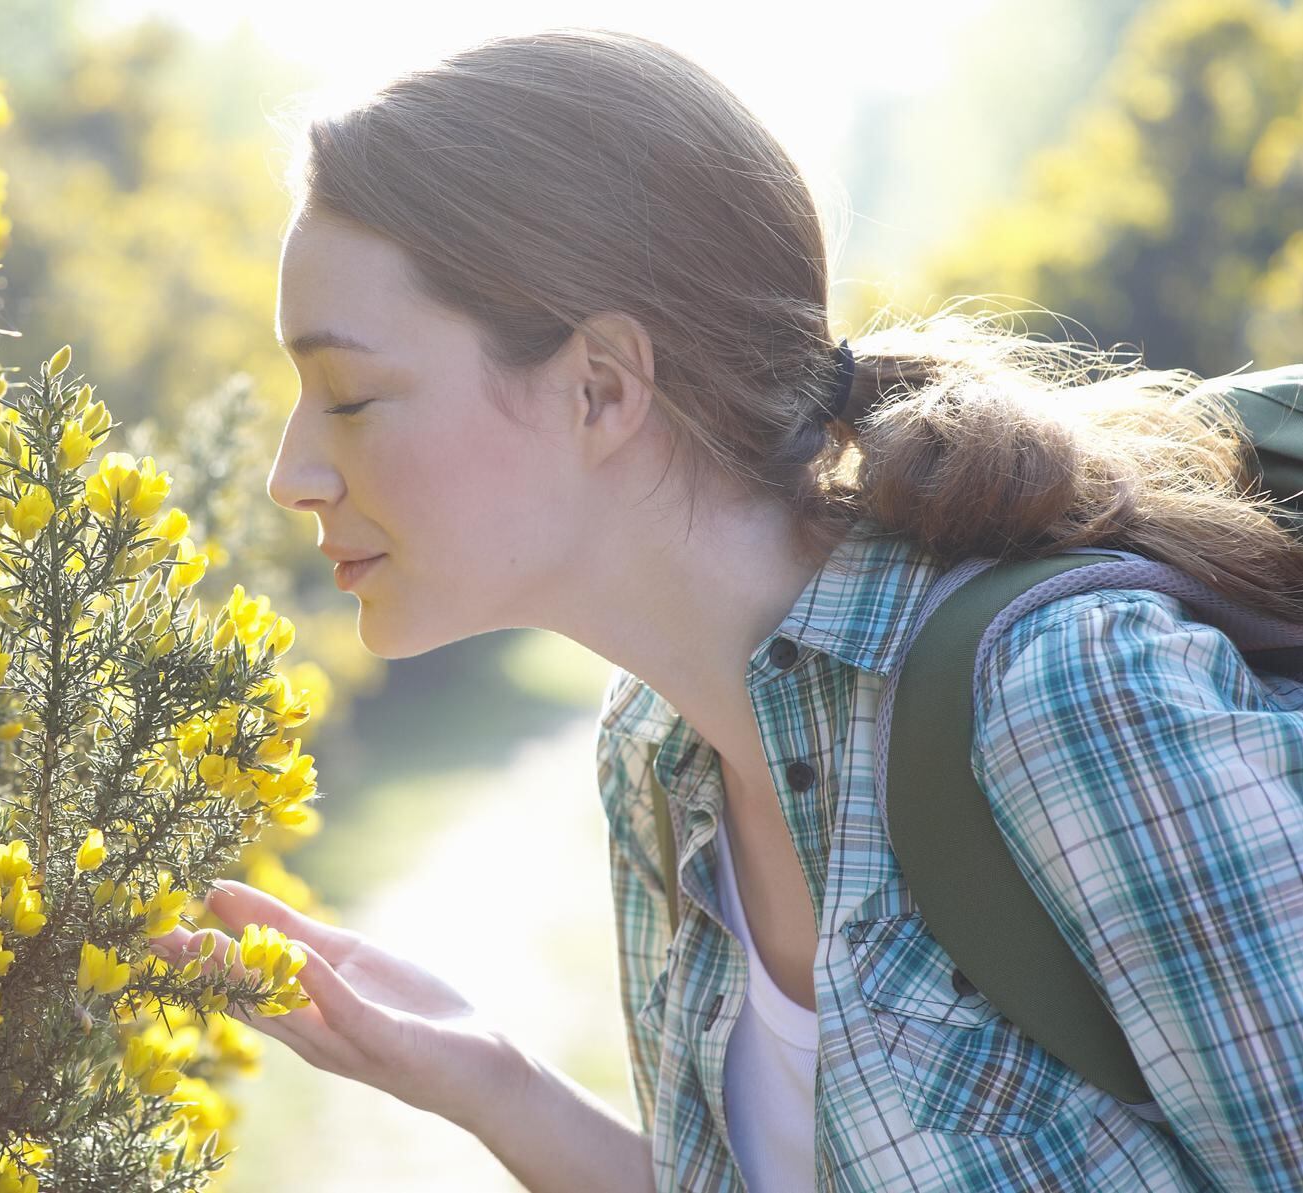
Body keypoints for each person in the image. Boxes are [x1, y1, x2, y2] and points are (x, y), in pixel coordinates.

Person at [146, 25, 1303, 1193]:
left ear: (600, 389)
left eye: (347, 395)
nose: (290, 472)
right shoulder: (652, 750)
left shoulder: (1066, 694)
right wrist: (491, 1081)